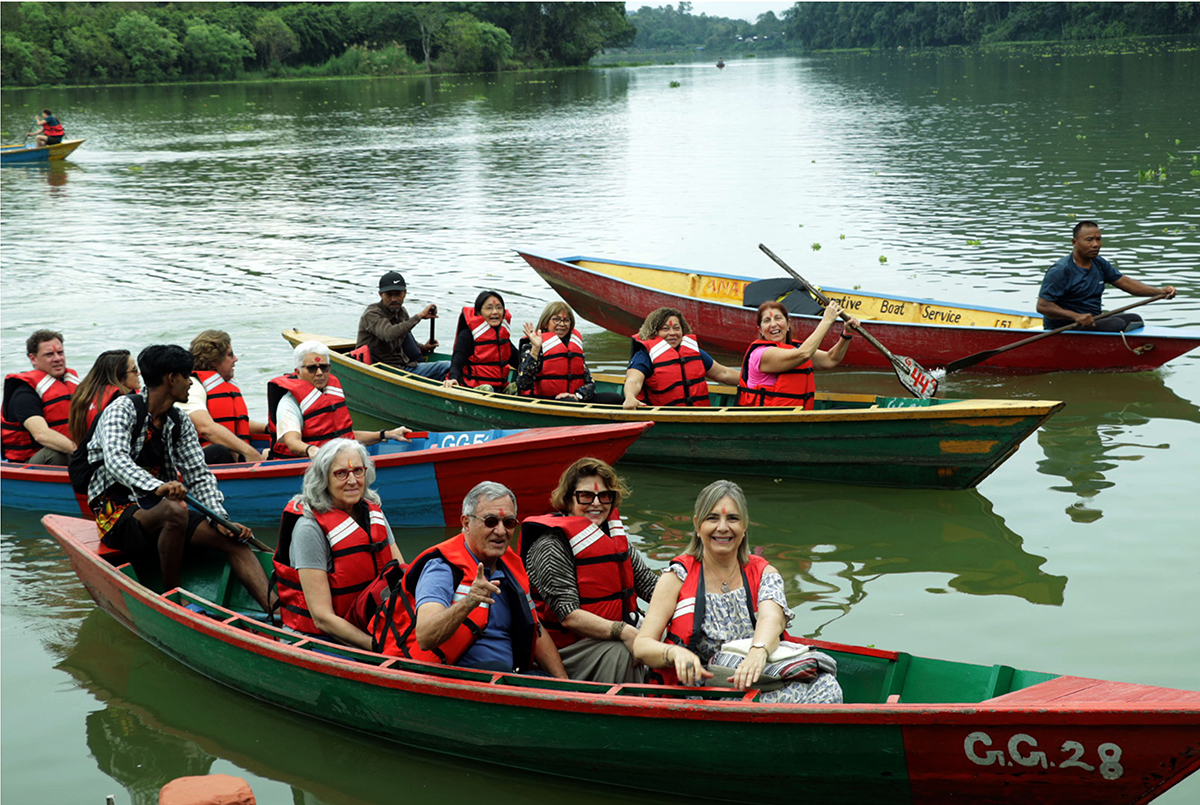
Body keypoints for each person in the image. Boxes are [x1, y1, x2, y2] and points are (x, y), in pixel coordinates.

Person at [82, 344, 270, 611]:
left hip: (160, 507)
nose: (192, 384)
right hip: (116, 513)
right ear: (172, 379)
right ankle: (173, 598)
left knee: (233, 540)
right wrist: (159, 487)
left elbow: (198, 475)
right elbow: (116, 461)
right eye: (186, 376)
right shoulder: (121, 409)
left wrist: (220, 519)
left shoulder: (178, 421)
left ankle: (279, 615)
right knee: (175, 509)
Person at [633, 480, 842, 704]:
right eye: (712, 518)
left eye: (732, 518)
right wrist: (674, 654)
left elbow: (772, 618)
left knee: (827, 687)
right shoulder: (676, 577)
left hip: (761, 679)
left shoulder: (764, 572)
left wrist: (758, 652)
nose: (723, 527)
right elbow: (642, 646)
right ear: (697, 524)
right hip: (705, 691)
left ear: (744, 527)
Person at [399, 481, 567, 677]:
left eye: (509, 523)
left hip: (509, 676)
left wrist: (566, 685)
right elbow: (425, 636)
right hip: (459, 681)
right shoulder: (441, 569)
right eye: (490, 521)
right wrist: (469, 601)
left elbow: (536, 631)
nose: (501, 531)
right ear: (466, 523)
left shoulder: (512, 567)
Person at [519, 457, 658, 683]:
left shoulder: (613, 539)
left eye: (604, 496)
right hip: (571, 648)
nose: (596, 503)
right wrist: (624, 631)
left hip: (618, 631)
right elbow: (568, 615)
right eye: (585, 496)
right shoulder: (550, 546)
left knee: (674, 635)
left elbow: (652, 588)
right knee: (623, 653)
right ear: (567, 499)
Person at [273, 439, 405, 649]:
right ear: (323, 478)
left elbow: (400, 574)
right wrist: (378, 647)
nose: (352, 480)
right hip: (322, 637)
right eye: (341, 473)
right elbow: (322, 618)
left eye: (358, 471)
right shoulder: (309, 527)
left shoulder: (372, 512)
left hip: (371, 620)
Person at [267, 340, 411, 460]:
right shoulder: (289, 402)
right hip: (305, 465)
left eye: (324, 367)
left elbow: (346, 436)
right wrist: (312, 450)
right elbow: (292, 442)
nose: (319, 373)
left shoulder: (330, 393)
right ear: (298, 372)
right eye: (312, 368)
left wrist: (385, 434)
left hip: (336, 461)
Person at [1036, 221, 1177, 331]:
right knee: (1116, 324)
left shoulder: (1099, 263)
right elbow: (1043, 306)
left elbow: (1126, 283)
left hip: (1092, 321)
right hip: (1065, 327)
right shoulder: (1061, 270)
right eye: (1089, 240)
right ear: (1074, 242)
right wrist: (1076, 316)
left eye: (1098, 239)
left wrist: (1159, 292)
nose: (1095, 244)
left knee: (1135, 319)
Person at [737, 300, 859, 408]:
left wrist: (846, 334)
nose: (773, 324)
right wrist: (826, 321)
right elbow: (804, 354)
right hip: (766, 419)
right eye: (767, 320)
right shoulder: (761, 354)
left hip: (793, 416)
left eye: (778, 318)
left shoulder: (794, 348)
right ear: (760, 330)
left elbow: (830, 359)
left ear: (788, 324)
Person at [622, 307, 740, 409]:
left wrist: (752, 382)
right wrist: (630, 397)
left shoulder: (694, 353)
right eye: (665, 329)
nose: (672, 333)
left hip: (698, 415)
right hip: (662, 416)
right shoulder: (644, 355)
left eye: (676, 328)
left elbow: (723, 373)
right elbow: (634, 380)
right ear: (654, 332)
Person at [179, 330, 268, 465]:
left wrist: (268, 428)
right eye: (230, 355)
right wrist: (250, 453)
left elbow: (236, 423)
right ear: (214, 360)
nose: (235, 359)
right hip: (204, 458)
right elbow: (206, 428)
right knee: (219, 451)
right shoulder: (192, 387)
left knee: (281, 450)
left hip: (235, 453)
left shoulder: (223, 386)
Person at [516, 302, 623, 404]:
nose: (562, 324)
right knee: (569, 402)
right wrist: (536, 348)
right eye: (556, 320)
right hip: (544, 400)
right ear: (546, 323)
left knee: (615, 398)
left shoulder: (573, 346)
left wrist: (577, 395)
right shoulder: (531, 345)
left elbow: (590, 383)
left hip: (573, 398)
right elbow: (523, 383)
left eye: (566, 320)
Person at [2, 329, 80, 465]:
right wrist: (80, 452)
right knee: (56, 453)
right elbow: (41, 435)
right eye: (49, 354)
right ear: (33, 359)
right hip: (29, 462)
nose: (57, 359)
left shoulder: (71, 384)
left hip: (72, 451)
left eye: (60, 353)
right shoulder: (24, 394)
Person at [355, 271, 450, 379]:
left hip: (402, 366)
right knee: (447, 366)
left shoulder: (401, 312)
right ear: (381, 294)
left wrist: (423, 347)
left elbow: (403, 339)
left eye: (398, 294)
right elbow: (389, 334)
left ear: (405, 293)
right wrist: (419, 317)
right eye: (389, 295)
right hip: (383, 369)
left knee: (455, 365)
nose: (394, 299)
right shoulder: (372, 314)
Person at [443, 290, 518, 392]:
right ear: (478, 312)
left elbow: (519, 362)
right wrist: (453, 379)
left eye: (499, 308)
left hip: (500, 389)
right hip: (474, 389)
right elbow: (457, 361)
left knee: (521, 387)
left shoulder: (503, 339)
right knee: (487, 389)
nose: (495, 312)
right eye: (489, 308)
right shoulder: (467, 335)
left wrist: (533, 348)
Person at [68, 349, 141, 446]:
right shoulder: (121, 400)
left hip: (85, 455)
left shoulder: (83, 395)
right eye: (134, 370)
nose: (138, 373)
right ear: (120, 377)